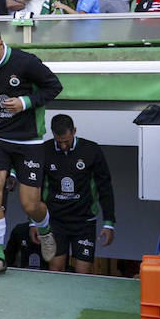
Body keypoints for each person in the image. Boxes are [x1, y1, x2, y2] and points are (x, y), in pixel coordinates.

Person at [0, 22, 63, 276]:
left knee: (30, 204)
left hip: (28, 140)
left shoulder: (26, 62)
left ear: (0, 43)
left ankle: (44, 228)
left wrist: (25, 101)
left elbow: (54, 86)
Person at [40, 115, 115, 274]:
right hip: (55, 221)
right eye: (59, 141)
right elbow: (36, 189)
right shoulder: (44, 150)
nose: (64, 145)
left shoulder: (92, 150)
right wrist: (35, 222)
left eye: (67, 140)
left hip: (84, 222)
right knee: (55, 269)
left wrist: (109, 222)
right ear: (52, 133)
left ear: (74, 131)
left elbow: (105, 187)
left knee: (83, 274)